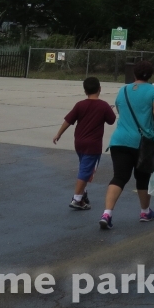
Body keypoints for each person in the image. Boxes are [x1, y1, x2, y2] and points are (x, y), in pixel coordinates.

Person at [100, 60, 154, 230]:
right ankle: (145, 212)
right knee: (142, 177)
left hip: (119, 140)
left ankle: (107, 213)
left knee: (119, 177)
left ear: (134, 74)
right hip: (143, 142)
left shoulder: (123, 90)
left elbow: (121, 111)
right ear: (150, 75)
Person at [53, 76, 116, 211]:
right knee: (86, 170)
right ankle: (76, 198)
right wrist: (109, 110)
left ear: (85, 91)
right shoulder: (103, 105)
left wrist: (59, 133)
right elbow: (111, 120)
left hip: (79, 142)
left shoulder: (80, 104)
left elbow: (68, 120)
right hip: (93, 145)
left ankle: (82, 195)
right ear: (100, 89)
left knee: (84, 167)